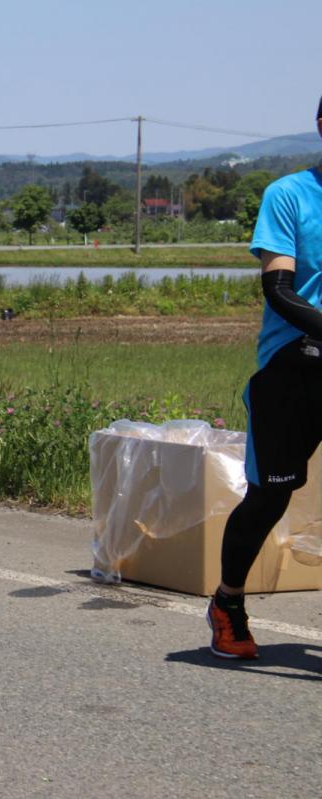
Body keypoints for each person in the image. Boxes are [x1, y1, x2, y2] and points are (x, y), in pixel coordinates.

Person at [206, 95, 322, 660]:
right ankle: (228, 603)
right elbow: (278, 289)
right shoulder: (290, 195)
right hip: (293, 367)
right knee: (269, 496)